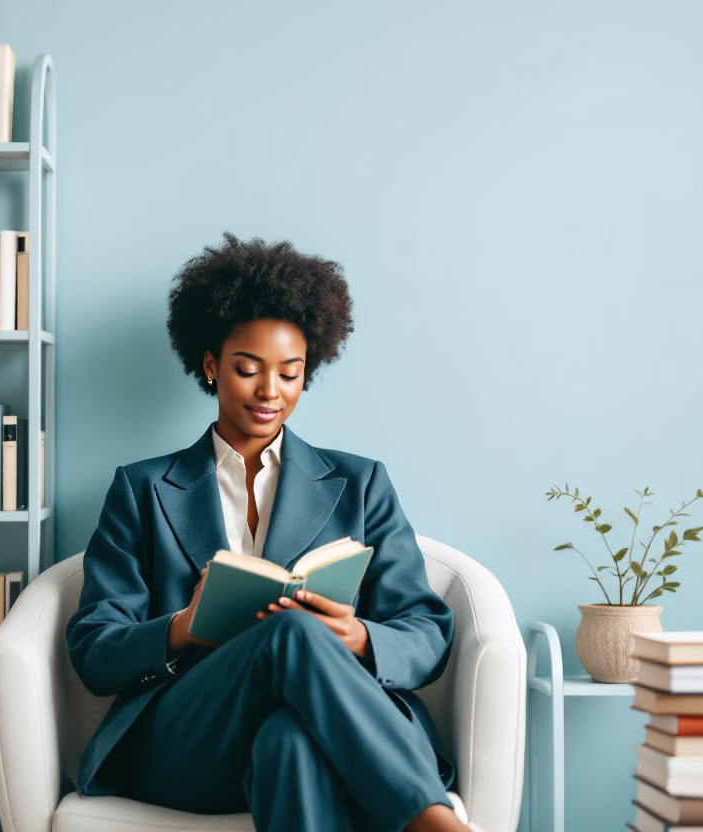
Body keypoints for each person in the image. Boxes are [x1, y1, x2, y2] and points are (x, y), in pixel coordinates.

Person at [66, 234, 475, 832]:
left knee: (289, 744)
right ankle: (429, 821)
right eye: (248, 369)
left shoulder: (360, 484)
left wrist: (359, 636)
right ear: (211, 365)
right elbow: (95, 649)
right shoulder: (141, 489)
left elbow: (426, 630)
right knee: (287, 630)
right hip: (190, 738)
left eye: (290, 373)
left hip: (317, 726)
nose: (270, 392)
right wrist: (183, 627)